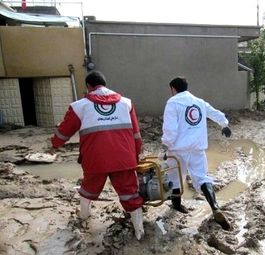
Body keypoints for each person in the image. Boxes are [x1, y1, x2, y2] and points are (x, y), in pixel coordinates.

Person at [50, 71, 145, 240]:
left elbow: (64, 132)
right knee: (130, 194)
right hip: (123, 159)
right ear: (105, 84)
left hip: (95, 160)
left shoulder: (79, 106)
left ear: (88, 87)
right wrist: (135, 157)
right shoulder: (126, 103)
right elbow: (136, 135)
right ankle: (139, 232)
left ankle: (84, 218)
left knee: (88, 190)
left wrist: (54, 145)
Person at [161, 77, 232, 230]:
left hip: (178, 149)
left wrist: (165, 146)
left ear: (173, 89)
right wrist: (224, 125)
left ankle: (178, 206)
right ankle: (214, 206)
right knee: (202, 177)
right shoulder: (199, 102)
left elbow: (170, 130)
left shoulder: (173, 103)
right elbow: (214, 113)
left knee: (176, 177)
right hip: (197, 148)